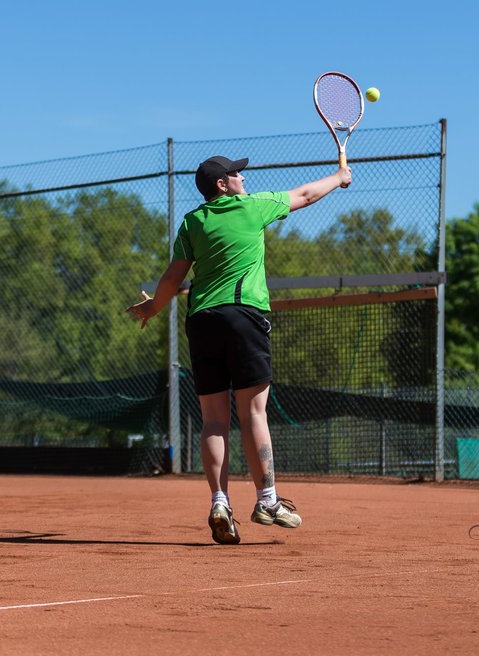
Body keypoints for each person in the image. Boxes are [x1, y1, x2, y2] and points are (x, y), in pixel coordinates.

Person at [126, 154, 352, 544]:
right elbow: (306, 195)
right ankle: (267, 500)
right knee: (253, 411)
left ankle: (219, 503)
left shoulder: (193, 222)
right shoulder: (253, 206)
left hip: (202, 322)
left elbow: (171, 277)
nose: (242, 176)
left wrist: (152, 307)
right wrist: (339, 176)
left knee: (214, 420)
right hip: (244, 317)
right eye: (235, 173)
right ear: (223, 184)